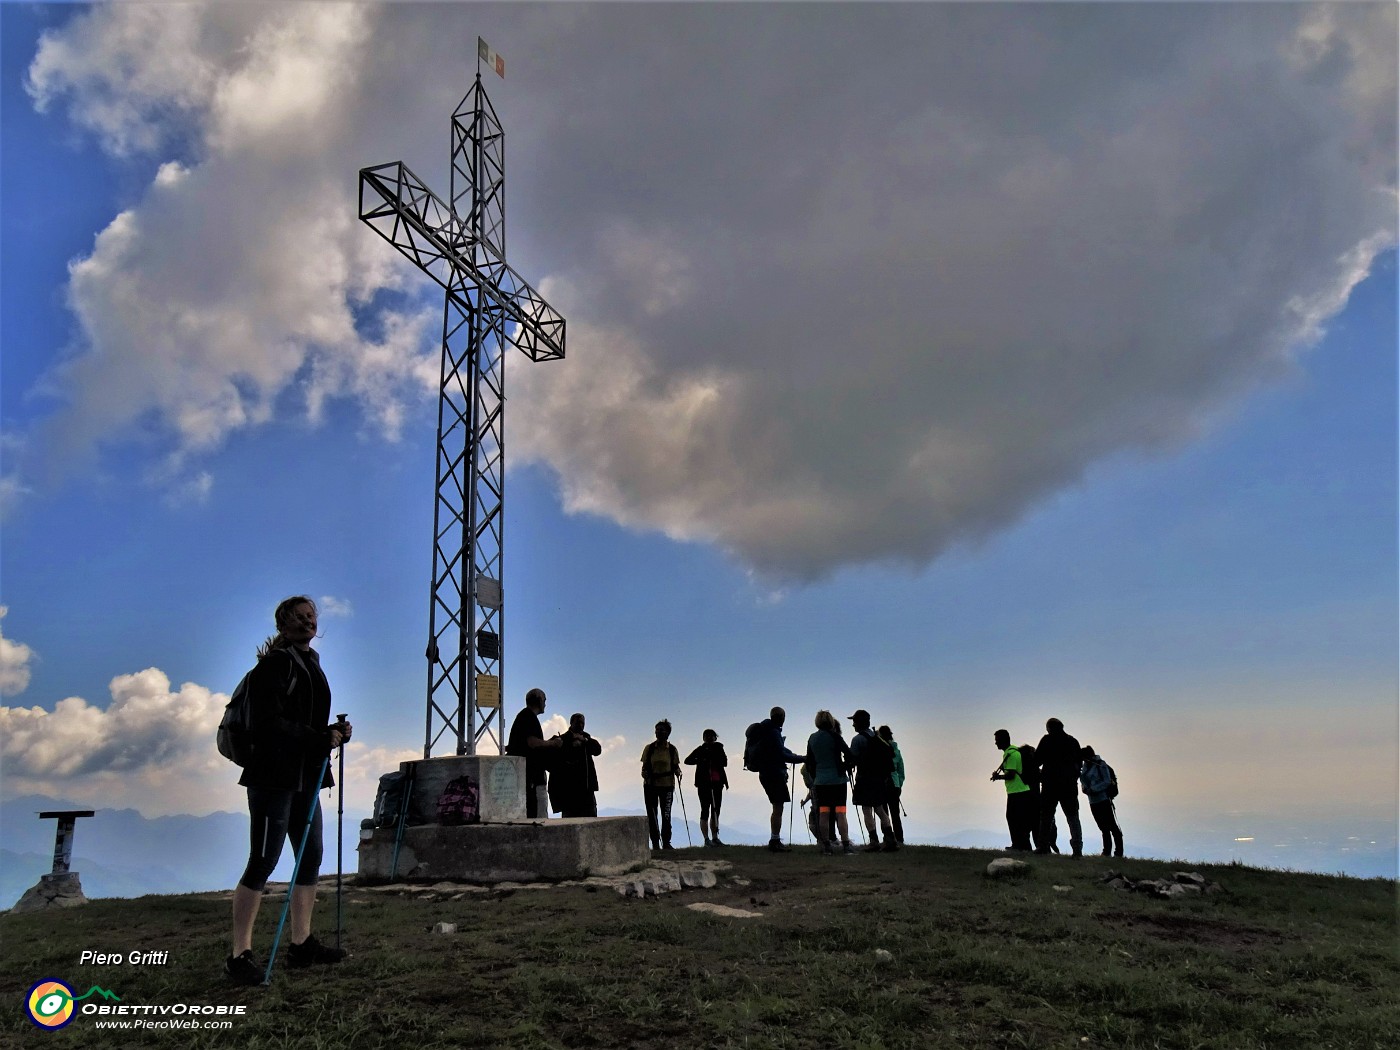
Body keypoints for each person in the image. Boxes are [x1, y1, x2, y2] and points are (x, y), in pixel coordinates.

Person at [227, 596, 353, 985]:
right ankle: (239, 954)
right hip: (272, 776)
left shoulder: (309, 662)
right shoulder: (276, 664)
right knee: (264, 860)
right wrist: (320, 737)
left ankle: (302, 944)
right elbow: (268, 723)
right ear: (283, 625)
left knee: (310, 856)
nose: (306, 622)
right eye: (297, 618)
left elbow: (298, 720)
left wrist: (332, 731)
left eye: (310, 616)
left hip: (303, 776)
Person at [749, 706, 805, 851]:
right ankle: (775, 840)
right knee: (778, 807)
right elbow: (782, 754)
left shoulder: (765, 731)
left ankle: (775, 839)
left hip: (765, 773)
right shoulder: (773, 732)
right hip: (774, 774)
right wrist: (803, 758)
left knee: (776, 806)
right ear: (781, 717)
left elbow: (778, 750)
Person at [506, 688, 563, 818]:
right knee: (537, 817)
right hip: (532, 778)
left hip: (526, 777)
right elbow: (531, 742)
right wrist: (552, 744)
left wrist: (548, 742)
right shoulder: (528, 717)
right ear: (538, 700)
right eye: (544, 700)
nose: (545, 703)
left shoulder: (524, 716)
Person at [806, 710, 855, 855]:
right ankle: (846, 845)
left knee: (824, 813)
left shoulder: (812, 738)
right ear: (830, 722)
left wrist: (815, 777)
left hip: (821, 782)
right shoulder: (835, 737)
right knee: (840, 813)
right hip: (838, 781)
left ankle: (826, 846)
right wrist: (845, 766)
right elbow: (849, 754)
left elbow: (810, 762)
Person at [848, 710, 897, 852]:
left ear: (859, 723)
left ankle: (873, 841)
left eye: (854, 722)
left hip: (864, 779)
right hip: (878, 779)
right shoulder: (876, 736)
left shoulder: (857, 740)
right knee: (880, 809)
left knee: (866, 810)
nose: (853, 725)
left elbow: (853, 759)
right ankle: (890, 839)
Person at [1036, 717, 1084, 856]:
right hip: (1068, 786)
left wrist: (1040, 774)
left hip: (1049, 785)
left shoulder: (1046, 740)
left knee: (1046, 817)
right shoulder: (1072, 741)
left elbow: (1037, 760)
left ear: (1049, 728)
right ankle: (1077, 850)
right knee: (1073, 817)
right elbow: (1079, 763)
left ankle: (1043, 847)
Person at [549, 713, 602, 818]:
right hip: (569, 791)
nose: (581, 725)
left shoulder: (586, 738)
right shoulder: (563, 739)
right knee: (570, 823)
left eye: (583, 723)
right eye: (578, 722)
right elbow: (556, 759)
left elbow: (597, 750)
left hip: (587, 790)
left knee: (590, 821)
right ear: (571, 723)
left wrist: (584, 740)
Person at [640, 720, 682, 850]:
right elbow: (644, 767)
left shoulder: (672, 749)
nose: (658, 732)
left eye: (661, 730)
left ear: (668, 733)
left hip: (667, 785)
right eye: (657, 730)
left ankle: (666, 842)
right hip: (651, 785)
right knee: (652, 816)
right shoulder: (649, 748)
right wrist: (644, 774)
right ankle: (656, 843)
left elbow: (675, 766)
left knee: (666, 815)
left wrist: (678, 772)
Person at [684, 729, 729, 846]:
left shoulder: (719, 749)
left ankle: (714, 837)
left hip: (717, 784)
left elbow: (725, 762)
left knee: (716, 811)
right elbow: (687, 760)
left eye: (711, 736)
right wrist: (701, 759)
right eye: (707, 736)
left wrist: (713, 759)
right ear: (704, 738)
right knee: (705, 810)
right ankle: (707, 839)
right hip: (704, 784)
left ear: (715, 737)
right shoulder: (701, 750)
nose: (709, 738)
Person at [991, 728, 1034, 851]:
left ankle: (1019, 845)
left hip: (1017, 791)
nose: (996, 743)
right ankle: (1023, 845)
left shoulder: (1010, 754)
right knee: (1019, 819)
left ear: (1003, 740)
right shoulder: (1014, 752)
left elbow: (1011, 775)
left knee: (1013, 818)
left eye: (997, 740)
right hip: (1020, 791)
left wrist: (998, 777)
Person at [1079, 745, 1123, 857]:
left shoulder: (1100, 765)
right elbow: (1083, 781)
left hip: (1103, 799)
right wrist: (1085, 789)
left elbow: (1107, 781)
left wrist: (1093, 789)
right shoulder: (1086, 766)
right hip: (1093, 801)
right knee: (1103, 827)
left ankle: (1118, 852)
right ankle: (1107, 851)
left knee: (1112, 826)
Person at [879, 725, 906, 845]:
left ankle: (887, 837)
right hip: (894, 784)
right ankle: (899, 839)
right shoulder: (896, 751)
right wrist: (899, 784)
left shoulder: (879, 748)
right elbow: (901, 770)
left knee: (883, 813)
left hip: (882, 783)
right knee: (895, 814)